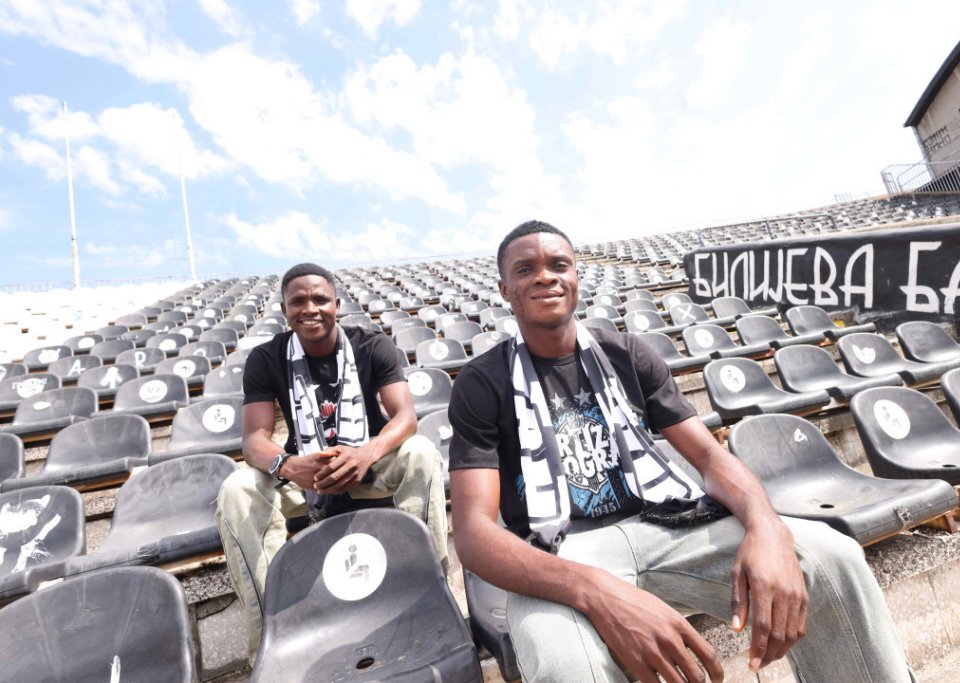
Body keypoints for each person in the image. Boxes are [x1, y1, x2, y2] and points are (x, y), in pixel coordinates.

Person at [448, 221, 913, 683]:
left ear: (575, 276)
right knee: (567, 665)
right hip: (560, 553)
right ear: (505, 289)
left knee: (833, 559)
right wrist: (596, 589)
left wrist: (766, 525)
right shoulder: (481, 382)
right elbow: (473, 535)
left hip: (664, 524)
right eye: (525, 269)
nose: (545, 277)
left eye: (558, 265)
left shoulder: (627, 354)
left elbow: (709, 457)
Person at [216, 262, 448, 661]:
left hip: (370, 465)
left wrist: (366, 453)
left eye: (320, 299)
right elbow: (254, 441)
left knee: (421, 453)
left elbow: (406, 417)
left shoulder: (372, 344)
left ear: (337, 305)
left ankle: (432, 594)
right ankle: (271, 636)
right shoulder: (266, 358)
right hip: (305, 473)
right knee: (237, 489)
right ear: (285, 310)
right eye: (298, 301)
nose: (310, 308)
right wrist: (290, 466)